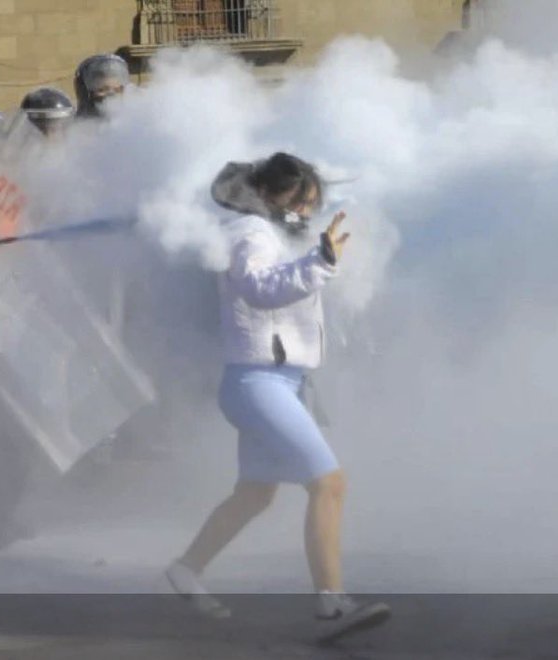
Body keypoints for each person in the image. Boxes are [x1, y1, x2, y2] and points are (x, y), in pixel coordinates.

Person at [164, 153, 389, 644]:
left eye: (312, 205)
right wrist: (321, 261)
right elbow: (261, 289)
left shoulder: (270, 233)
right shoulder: (250, 233)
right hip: (257, 383)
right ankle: (331, 606)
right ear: (271, 194)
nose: (306, 213)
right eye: (301, 202)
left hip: (277, 381)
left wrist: (320, 262)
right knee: (328, 483)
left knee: (256, 493)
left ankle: (186, 569)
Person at [73, 54, 130, 118]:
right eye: (102, 90)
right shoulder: (71, 125)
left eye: (118, 90)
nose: (111, 94)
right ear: (85, 92)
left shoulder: (136, 121)